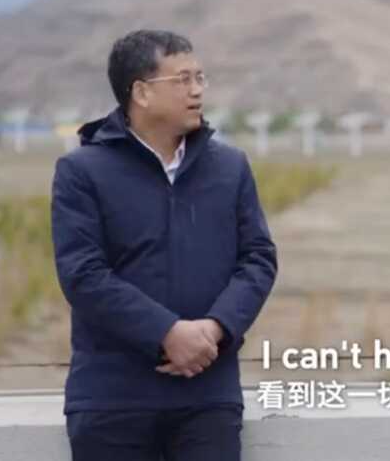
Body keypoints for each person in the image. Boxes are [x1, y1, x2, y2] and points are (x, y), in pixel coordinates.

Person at [51, 29, 277, 461]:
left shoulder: (229, 167)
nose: (197, 90)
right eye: (182, 79)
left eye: (200, 78)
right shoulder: (82, 171)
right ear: (141, 92)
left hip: (207, 396)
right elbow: (83, 274)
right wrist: (166, 333)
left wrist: (214, 329)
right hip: (112, 399)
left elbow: (258, 259)